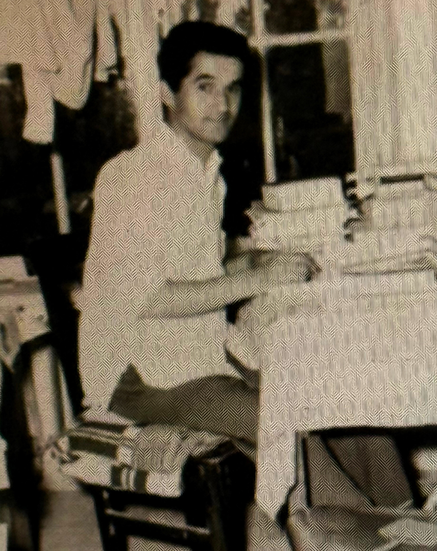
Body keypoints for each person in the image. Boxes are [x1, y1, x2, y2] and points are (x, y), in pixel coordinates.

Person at [78, 20, 319, 440]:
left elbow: (195, 260)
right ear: (167, 93)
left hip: (193, 350)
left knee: (330, 395)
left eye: (234, 88)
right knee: (288, 424)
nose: (223, 105)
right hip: (138, 374)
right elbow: (150, 297)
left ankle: (392, 507)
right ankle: (330, 509)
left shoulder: (206, 173)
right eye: (205, 87)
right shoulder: (131, 177)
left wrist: (252, 256)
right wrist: (258, 278)